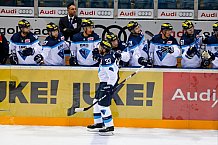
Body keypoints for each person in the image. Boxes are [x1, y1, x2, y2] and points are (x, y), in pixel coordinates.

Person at [87, 40, 118, 136]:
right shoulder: (106, 57)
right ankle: (99, 123)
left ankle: (109, 127)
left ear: (104, 49)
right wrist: (98, 57)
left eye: (100, 47)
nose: (98, 48)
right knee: (96, 102)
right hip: (103, 83)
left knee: (103, 105)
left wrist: (110, 86)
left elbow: (113, 75)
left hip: (107, 84)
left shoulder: (107, 59)